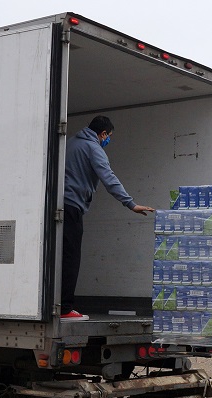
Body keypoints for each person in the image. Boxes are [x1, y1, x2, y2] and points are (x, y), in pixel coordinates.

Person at [61, 115, 155, 321]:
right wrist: (131, 203)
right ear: (102, 133)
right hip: (72, 206)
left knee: (59, 257)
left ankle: (56, 304)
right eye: (108, 136)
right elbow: (109, 179)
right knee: (71, 258)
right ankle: (65, 308)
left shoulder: (70, 143)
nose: (107, 141)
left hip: (58, 206)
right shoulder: (94, 149)